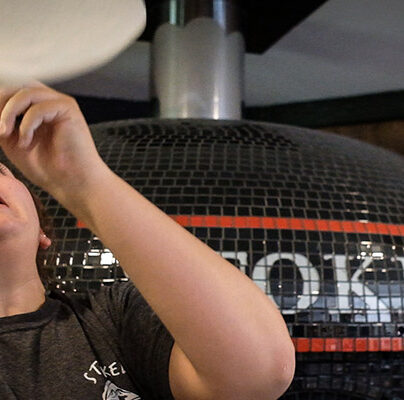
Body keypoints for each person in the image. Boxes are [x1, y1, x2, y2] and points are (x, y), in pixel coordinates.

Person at [0, 81, 295, 399]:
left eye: (1, 172)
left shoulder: (112, 317)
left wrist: (81, 180)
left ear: (42, 232)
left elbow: (260, 374)